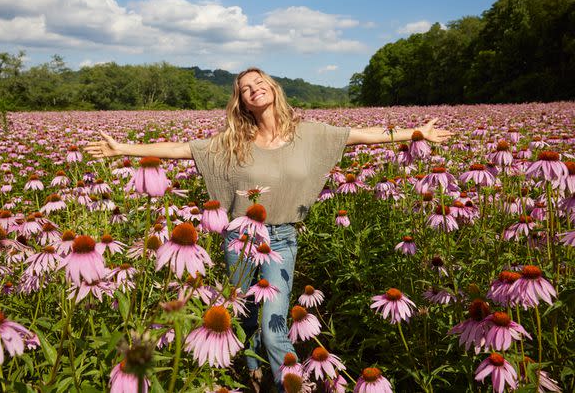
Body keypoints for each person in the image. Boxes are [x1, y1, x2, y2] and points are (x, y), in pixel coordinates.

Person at [86, 67, 452, 392]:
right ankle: (254, 376)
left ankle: (289, 385)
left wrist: (416, 132)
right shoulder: (232, 142)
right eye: (245, 89)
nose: (253, 90)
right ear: (241, 103)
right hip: (240, 237)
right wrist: (123, 150)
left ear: (273, 89)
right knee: (242, 315)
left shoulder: (310, 134)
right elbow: (182, 149)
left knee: (274, 323)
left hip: (281, 238)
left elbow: (361, 136)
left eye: (259, 83)